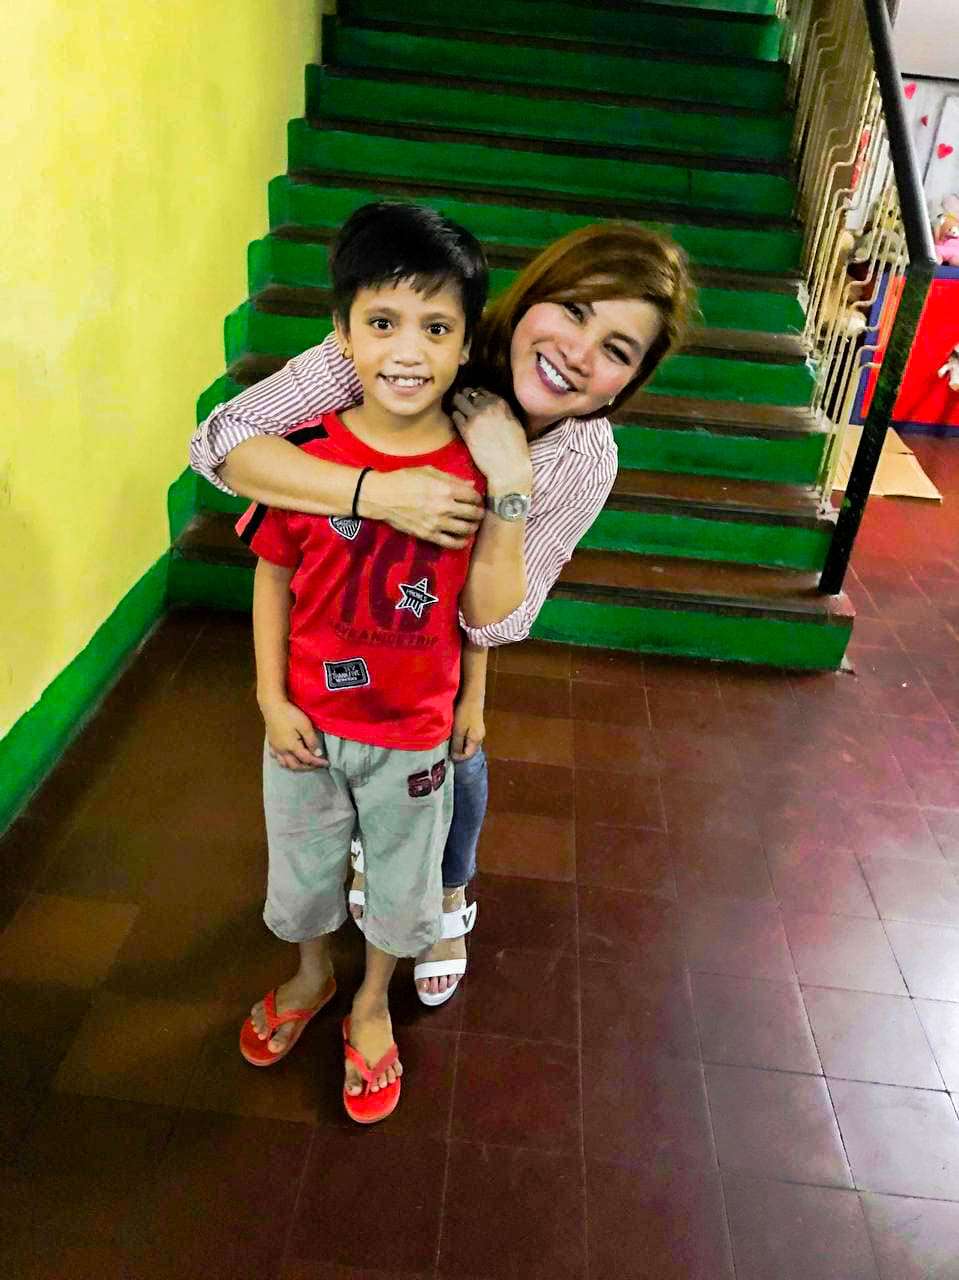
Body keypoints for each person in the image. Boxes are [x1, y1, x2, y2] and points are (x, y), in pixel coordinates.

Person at [190, 220, 695, 1017]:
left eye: (616, 349)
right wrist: (378, 493)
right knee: (336, 798)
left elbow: (493, 621)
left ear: (624, 385)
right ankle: (371, 896)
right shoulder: (411, 340)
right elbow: (221, 443)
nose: (577, 352)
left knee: (457, 761)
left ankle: (445, 891)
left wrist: (509, 483)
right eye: (572, 310)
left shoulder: (583, 457)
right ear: (526, 299)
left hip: (433, 653)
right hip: (342, 639)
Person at [235, 201, 518, 1123]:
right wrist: (271, 698)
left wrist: (472, 698)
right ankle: (312, 975)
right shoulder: (307, 458)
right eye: (383, 321)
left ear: (465, 345)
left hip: (415, 733)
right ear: (342, 332)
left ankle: (370, 1003)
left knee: (402, 881)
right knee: (303, 870)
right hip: (306, 724)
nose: (407, 350)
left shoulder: (476, 473)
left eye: (436, 328)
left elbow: (476, 611)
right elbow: (273, 576)